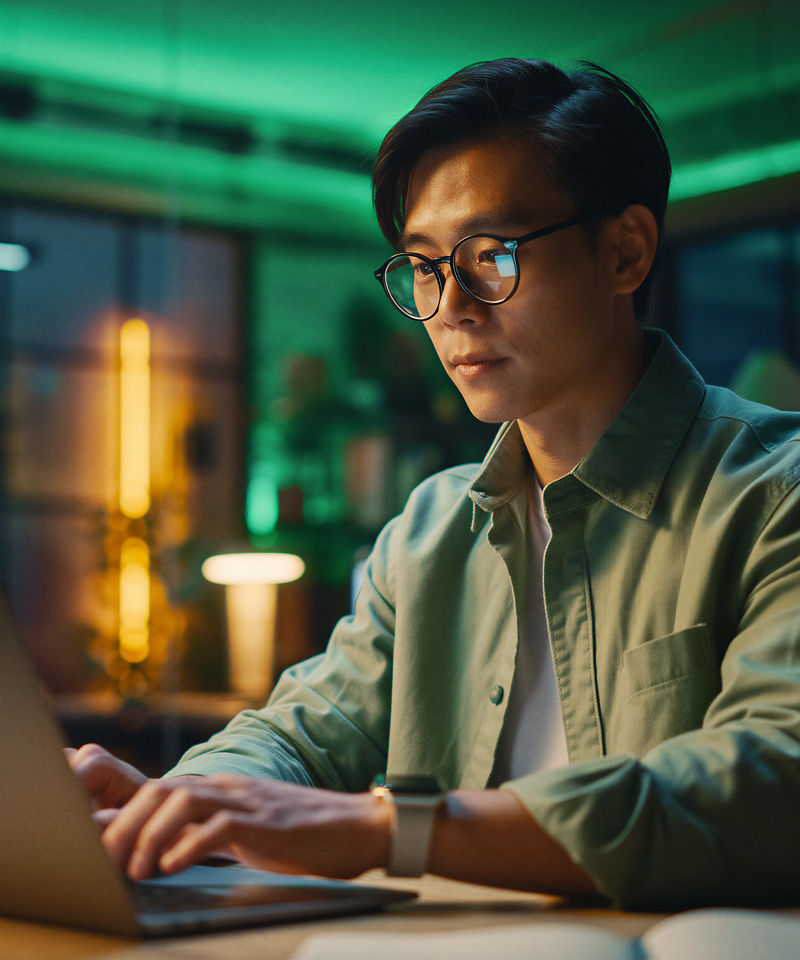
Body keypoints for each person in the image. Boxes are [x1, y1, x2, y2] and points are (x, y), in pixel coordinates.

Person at [69, 57, 800, 909]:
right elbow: (303, 734)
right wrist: (177, 802)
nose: (452, 304)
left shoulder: (773, 494)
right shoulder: (429, 528)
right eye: (423, 265)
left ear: (626, 251)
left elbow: (769, 783)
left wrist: (390, 827)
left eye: (490, 254)